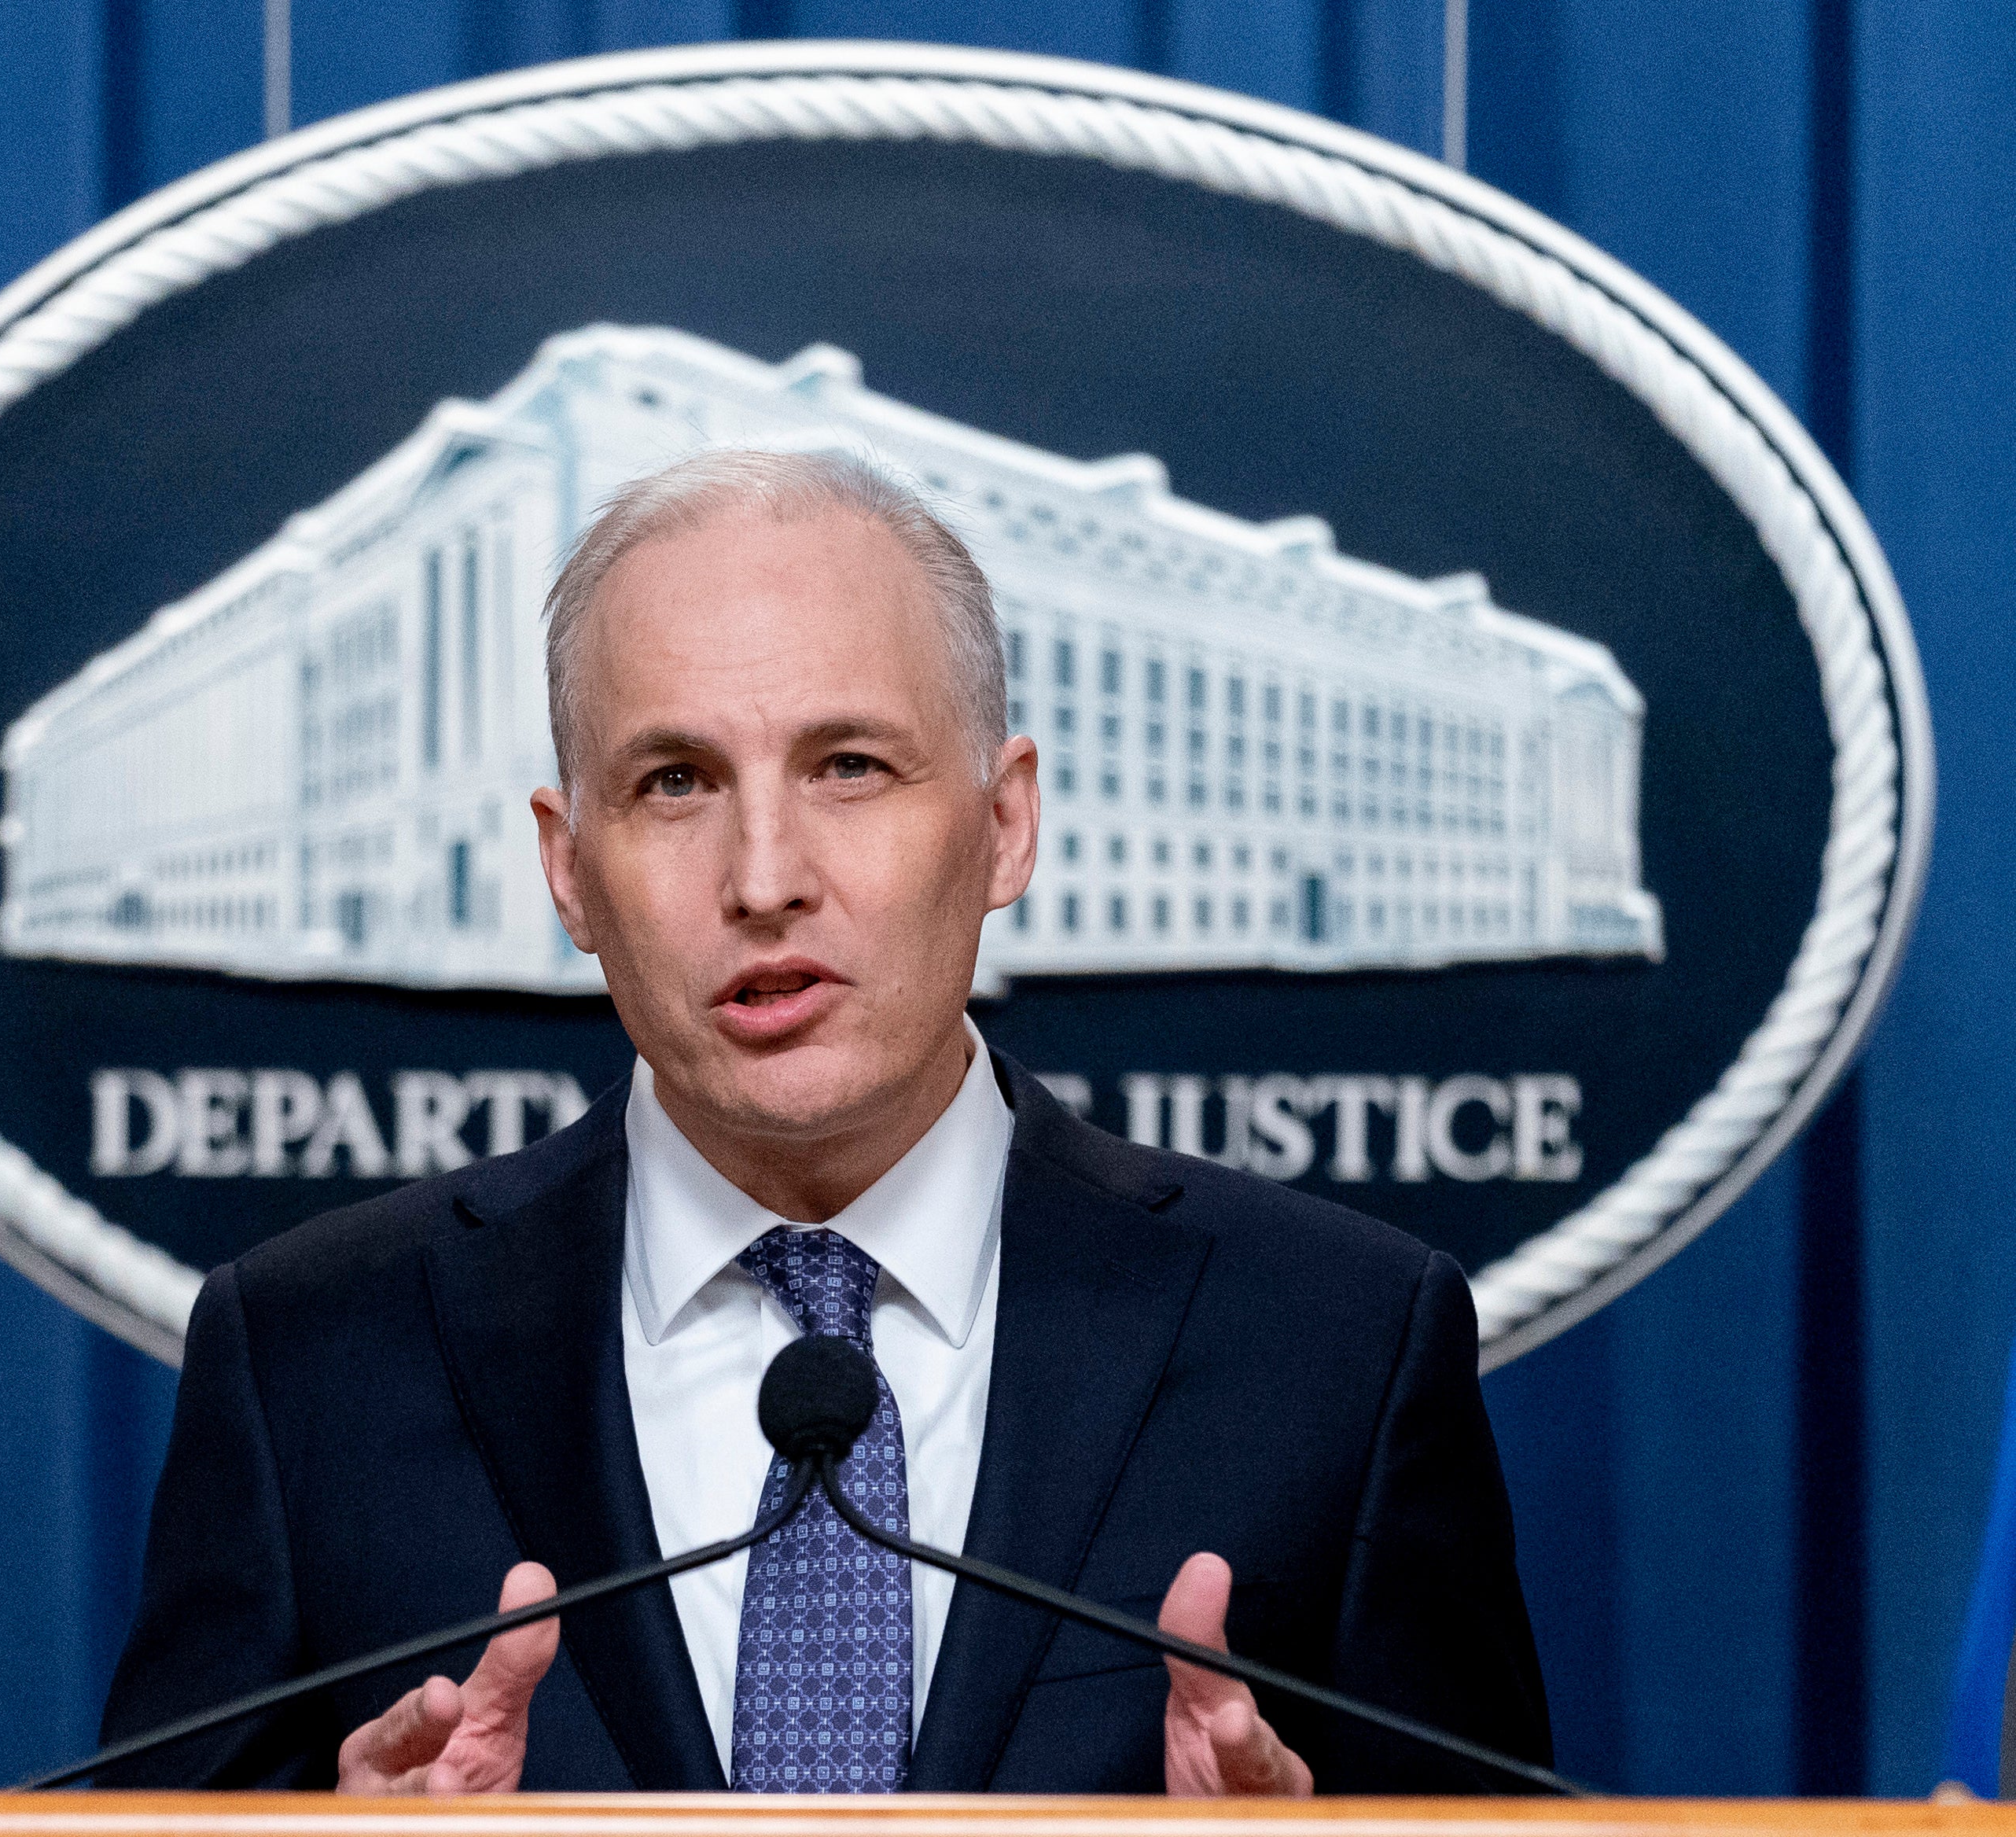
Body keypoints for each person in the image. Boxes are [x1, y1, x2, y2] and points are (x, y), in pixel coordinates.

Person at [99, 451, 1550, 1795]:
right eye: (674, 783)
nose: (764, 875)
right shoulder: (312, 1358)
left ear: (1002, 825)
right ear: (569, 872)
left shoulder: (1335, 1343)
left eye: (849, 765)